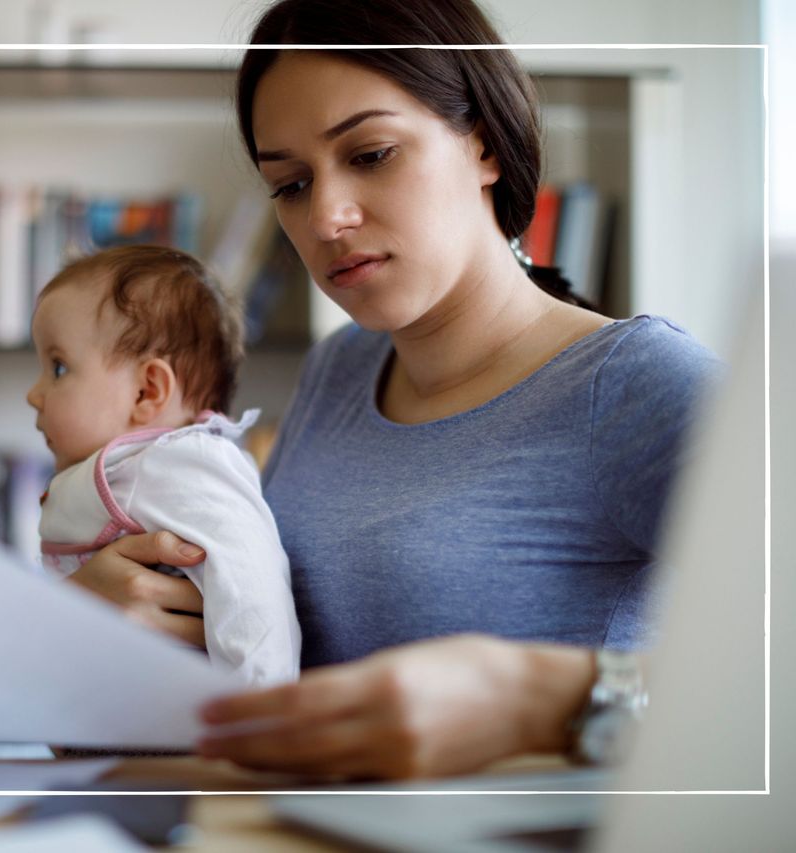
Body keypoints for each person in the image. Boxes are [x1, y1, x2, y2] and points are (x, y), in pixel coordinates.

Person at [65, 0, 719, 778]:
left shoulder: (635, 385)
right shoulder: (337, 371)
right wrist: (110, 633)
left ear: (482, 140)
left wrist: (540, 699)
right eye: (292, 184)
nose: (328, 218)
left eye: (371, 153)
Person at [26, 244, 302, 686]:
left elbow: (250, 581)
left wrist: (260, 709)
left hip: (201, 735)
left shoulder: (182, 465)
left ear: (147, 391)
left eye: (58, 369)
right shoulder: (129, 469)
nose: (34, 394)